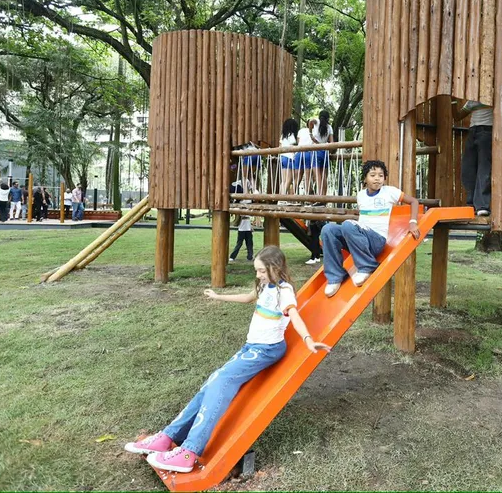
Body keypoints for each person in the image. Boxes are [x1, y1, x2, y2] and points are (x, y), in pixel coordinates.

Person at [123, 246, 330, 473]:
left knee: (222, 380)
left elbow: (295, 316)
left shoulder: (284, 292)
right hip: (251, 346)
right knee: (212, 382)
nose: (258, 275)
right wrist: (218, 296)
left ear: (275, 268)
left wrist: (308, 339)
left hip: (266, 350)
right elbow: (248, 298)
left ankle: (188, 452)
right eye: (257, 271)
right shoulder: (265, 285)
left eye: (261, 271)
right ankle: (167, 437)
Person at [320, 160, 421, 297]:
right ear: (365, 178)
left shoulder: (390, 192)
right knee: (328, 229)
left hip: (376, 241)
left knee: (348, 224)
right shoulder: (361, 195)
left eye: (381, 175)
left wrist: (413, 222)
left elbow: (414, 201)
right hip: (361, 241)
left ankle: (367, 266)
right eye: (373, 175)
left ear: (384, 178)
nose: (377, 178)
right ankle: (335, 277)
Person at [453, 99, 492, 217]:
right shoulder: (472, 101)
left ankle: (482, 206)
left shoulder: (493, 94)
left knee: (484, 168)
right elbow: (457, 116)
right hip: (472, 131)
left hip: (487, 130)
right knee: (468, 169)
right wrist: (453, 102)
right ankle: (471, 204)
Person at [311, 109, 334, 196]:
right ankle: (324, 196)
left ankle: (319, 196)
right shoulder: (329, 127)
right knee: (324, 176)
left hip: (316, 151)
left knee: (317, 175)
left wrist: (310, 134)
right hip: (325, 152)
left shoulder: (316, 122)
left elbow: (310, 121)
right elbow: (332, 143)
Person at [294, 119, 316, 196]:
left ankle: (292, 197)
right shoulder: (314, 132)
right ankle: (307, 198)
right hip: (308, 153)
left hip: (298, 153)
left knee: (297, 177)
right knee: (307, 177)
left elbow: (298, 142)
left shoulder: (301, 131)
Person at [279, 118, 299, 198]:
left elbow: (280, 146)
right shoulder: (291, 135)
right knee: (289, 179)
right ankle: (282, 198)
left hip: (282, 157)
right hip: (289, 158)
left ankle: (280, 198)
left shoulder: (283, 136)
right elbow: (293, 147)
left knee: (283, 180)